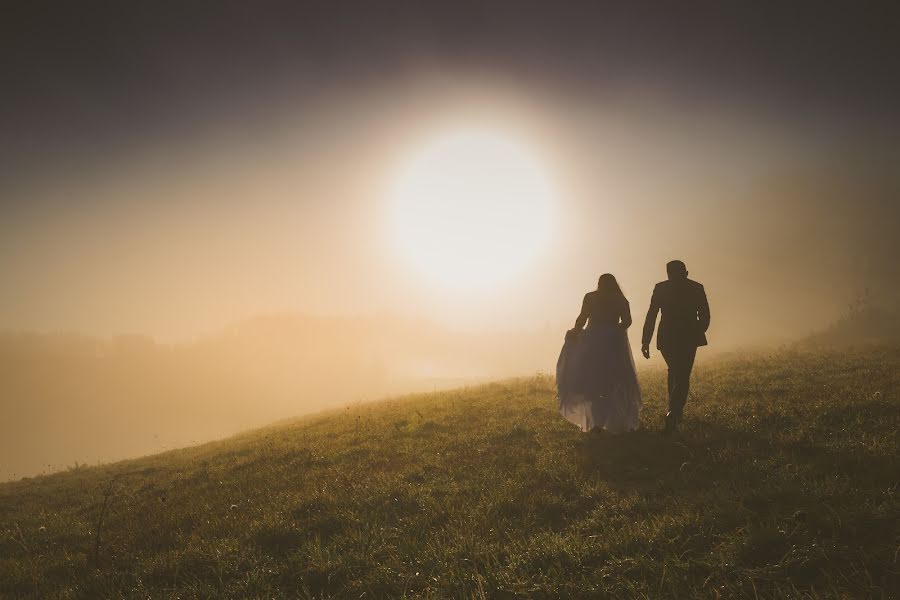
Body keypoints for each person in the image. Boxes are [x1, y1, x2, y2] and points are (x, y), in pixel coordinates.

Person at [557, 274, 642, 433]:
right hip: (612, 342)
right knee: (612, 380)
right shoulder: (620, 300)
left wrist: (575, 332)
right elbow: (628, 321)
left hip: (592, 342)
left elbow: (582, 318)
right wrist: (616, 329)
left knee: (593, 379)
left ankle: (597, 422)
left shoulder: (591, 297)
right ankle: (607, 420)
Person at [641, 260, 710, 434]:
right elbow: (705, 314)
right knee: (683, 374)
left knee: (674, 370)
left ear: (668, 273)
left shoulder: (661, 288)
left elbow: (652, 315)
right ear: (685, 272)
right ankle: (674, 412)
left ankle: (674, 409)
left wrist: (645, 340)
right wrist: (698, 331)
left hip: (667, 336)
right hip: (689, 336)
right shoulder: (696, 287)